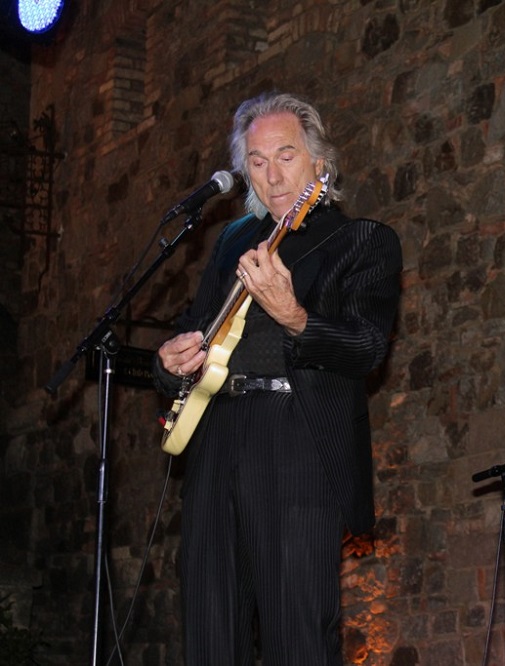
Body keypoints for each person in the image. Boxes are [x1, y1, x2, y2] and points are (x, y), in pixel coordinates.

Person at [153, 92, 402, 665]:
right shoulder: (233, 241)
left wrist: (294, 315)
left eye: (286, 156)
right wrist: (169, 361)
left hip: (296, 443)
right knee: (210, 630)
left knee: (297, 636)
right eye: (258, 162)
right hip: (216, 437)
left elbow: (366, 347)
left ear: (320, 161)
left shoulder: (362, 240)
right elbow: (194, 328)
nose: (272, 175)